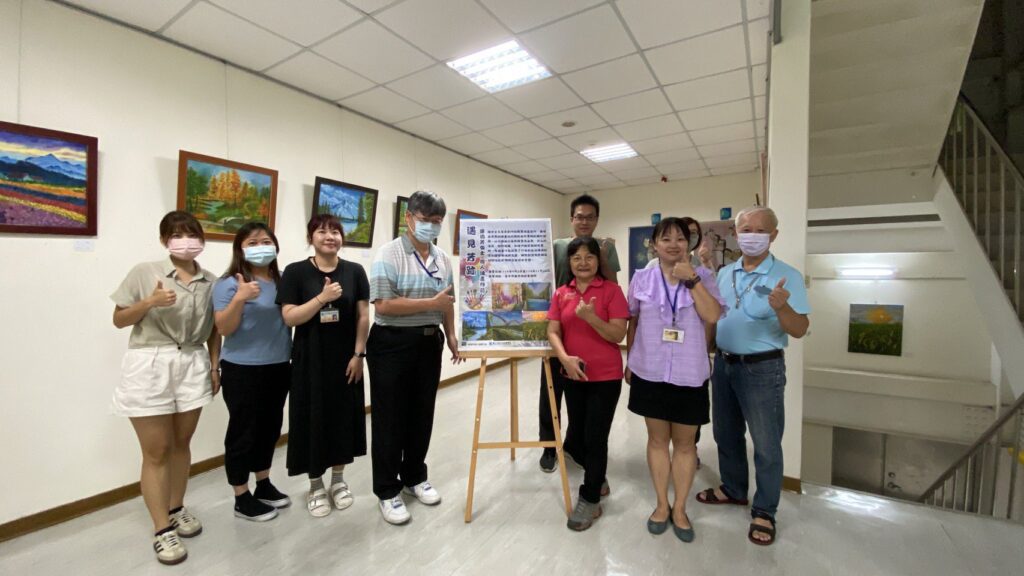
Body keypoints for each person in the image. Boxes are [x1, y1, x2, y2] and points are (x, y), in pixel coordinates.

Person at [696, 206, 810, 547]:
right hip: (724, 364)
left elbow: (799, 329)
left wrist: (783, 308)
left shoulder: (787, 276)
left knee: (766, 444)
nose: (752, 236)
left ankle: (764, 510)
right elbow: (716, 315)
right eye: (746, 230)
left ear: (774, 235)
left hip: (762, 369)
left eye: (761, 230)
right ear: (736, 233)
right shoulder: (726, 273)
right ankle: (733, 489)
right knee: (725, 434)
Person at [110, 211, 220, 566]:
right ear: (164, 240)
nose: (186, 242)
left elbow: (215, 329)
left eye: (192, 234)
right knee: (156, 450)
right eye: (177, 235)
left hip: (192, 360)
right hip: (150, 362)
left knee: (182, 443)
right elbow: (119, 319)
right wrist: (148, 303)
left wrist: (214, 366)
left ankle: (176, 507)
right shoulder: (146, 272)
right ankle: (161, 529)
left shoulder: (211, 281)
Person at [625, 218, 723, 542]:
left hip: (689, 373)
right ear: (654, 244)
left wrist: (692, 279)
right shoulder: (641, 278)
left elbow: (712, 316)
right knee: (656, 441)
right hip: (650, 370)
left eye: (680, 238)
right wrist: (630, 360)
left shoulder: (704, 277)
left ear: (689, 244)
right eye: (665, 238)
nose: (673, 244)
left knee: (684, 444)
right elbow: (634, 319)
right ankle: (661, 504)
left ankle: (679, 508)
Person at [367, 190, 462, 525]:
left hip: (428, 343)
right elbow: (383, 305)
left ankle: (414, 477)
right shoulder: (389, 254)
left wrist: (451, 336)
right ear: (408, 218)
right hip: (391, 343)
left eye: (437, 221)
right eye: (425, 220)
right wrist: (430, 304)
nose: (431, 226)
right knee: (390, 418)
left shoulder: (442, 258)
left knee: (422, 413)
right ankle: (387, 490)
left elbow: (446, 302)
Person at [277, 214, 369, 518]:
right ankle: (315, 485)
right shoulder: (295, 272)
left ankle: (338, 481)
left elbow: (363, 316)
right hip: (309, 361)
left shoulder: (355, 271)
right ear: (310, 238)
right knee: (311, 419)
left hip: (347, 360)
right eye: (321, 231)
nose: (329, 236)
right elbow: (290, 317)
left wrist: (359, 355)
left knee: (343, 419)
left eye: (335, 231)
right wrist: (322, 298)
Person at [547, 237, 629, 531]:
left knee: (596, 437)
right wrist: (564, 358)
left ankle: (590, 496)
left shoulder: (612, 291)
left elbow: (617, 335)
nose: (583, 262)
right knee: (579, 435)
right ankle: (598, 474)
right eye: (576, 257)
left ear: (598, 261)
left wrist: (592, 318)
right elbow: (553, 330)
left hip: (605, 377)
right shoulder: (561, 293)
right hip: (573, 374)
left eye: (589, 257)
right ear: (569, 263)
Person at [212, 222, 292, 522]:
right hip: (242, 369)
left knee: (270, 428)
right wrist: (240, 298)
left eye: (266, 241)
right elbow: (224, 328)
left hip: (279, 365)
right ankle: (241, 495)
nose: (261, 247)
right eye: (253, 242)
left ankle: (263, 482)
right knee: (243, 431)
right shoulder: (229, 283)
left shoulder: (281, 281)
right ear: (240, 249)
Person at [539, 194, 622, 474]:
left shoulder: (606, 248)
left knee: (581, 398)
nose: (584, 221)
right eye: (579, 216)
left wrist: (603, 255)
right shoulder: (557, 246)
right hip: (558, 323)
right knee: (550, 392)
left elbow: (613, 283)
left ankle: (576, 445)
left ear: (596, 219)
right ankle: (549, 446)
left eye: (590, 217)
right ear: (572, 218)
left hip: (591, 327)